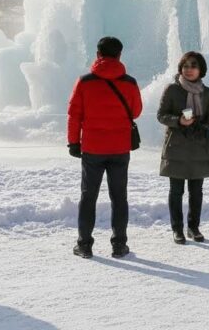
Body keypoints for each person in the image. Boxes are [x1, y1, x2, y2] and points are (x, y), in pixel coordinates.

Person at [67, 36, 143, 259]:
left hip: (93, 148)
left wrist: (73, 142)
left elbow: (74, 115)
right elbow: (136, 111)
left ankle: (85, 244)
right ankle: (119, 245)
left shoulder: (84, 81)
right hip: (120, 148)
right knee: (119, 197)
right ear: (120, 55)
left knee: (88, 196)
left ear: (98, 54)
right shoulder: (129, 83)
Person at [157, 51, 209, 244]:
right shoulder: (172, 89)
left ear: (201, 69)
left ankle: (193, 228)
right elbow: (161, 115)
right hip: (176, 145)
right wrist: (178, 120)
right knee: (176, 190)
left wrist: (202, 124)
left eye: (193, 66)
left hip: (198, 145)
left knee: (196, 190)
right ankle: (177, 229)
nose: (189, 69)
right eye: (185, 66)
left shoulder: (206, 92)